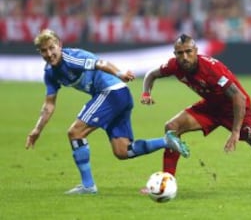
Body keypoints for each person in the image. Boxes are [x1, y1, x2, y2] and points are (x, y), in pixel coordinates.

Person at [140, 33, 251, 191]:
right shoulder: (173, 65)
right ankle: (166, 183)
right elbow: (151, 75)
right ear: (175, 54)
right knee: (172, 128)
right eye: (180, 53)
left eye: (189, 51)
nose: (185, 57)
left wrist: (235, 132)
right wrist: (146, 93)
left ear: (196, 51)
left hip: (236, 110)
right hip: (211, 107)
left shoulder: (211, 69)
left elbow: (239, 98)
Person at [25, 29, 190, 195]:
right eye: (44, 50)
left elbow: (101, 63)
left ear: (59, 45)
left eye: (52, 48)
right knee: (123, 151)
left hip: (111, 92)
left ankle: (88, 186)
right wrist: (37, 129)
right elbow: (49, 105)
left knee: (75, 132)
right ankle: (167, 142)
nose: (49, 53)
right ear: (40, 52)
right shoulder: (50, 73)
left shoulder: (72, 57)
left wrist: (120, 73)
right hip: (119, 96)